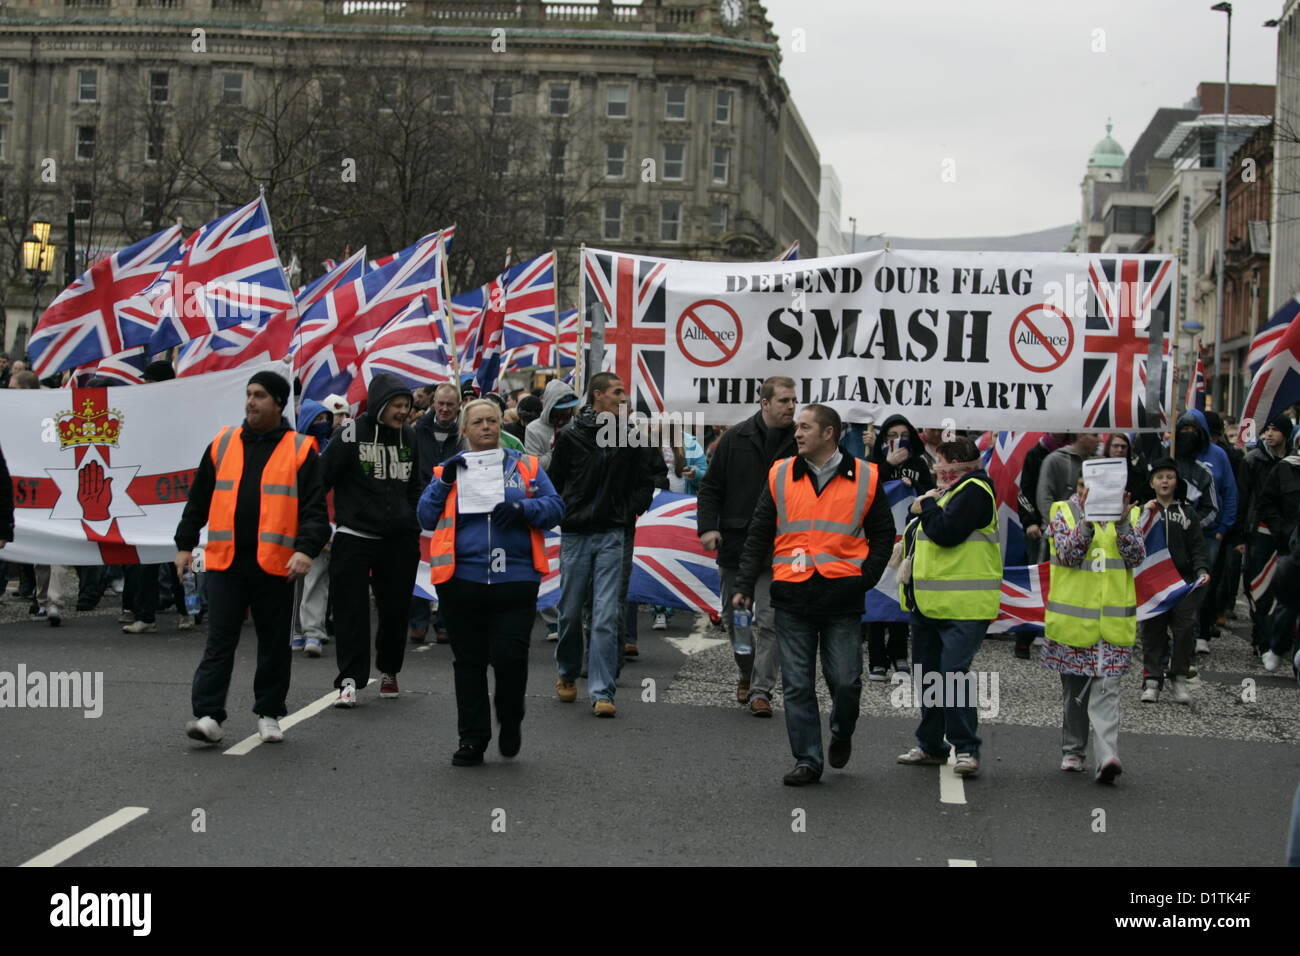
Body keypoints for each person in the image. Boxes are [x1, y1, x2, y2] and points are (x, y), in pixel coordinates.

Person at [733, 405, 895, 786]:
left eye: (805, 427)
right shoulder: (781, 473)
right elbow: (759, 531)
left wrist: (865, 578)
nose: (797, 433)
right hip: (792, 594)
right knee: (798, 684)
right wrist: (743, 585)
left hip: (842, 595)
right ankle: (807, 760)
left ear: (829, 433)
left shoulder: (866, 476)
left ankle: (841, 730)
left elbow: (884, 534)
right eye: (797, 427)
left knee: (845, 681)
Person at [175, 371, 329, 745]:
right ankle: (209, 715)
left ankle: (269, 713)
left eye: (259, 395)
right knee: (219, 641)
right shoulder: (222, 443)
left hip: (276, 565)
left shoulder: (301, 448)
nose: (251, 401)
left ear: (278, 403)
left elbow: (314, 511)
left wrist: (305, 550)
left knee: (274, 643)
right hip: (226, 561)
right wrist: (184, 544)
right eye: (248, 394)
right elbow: (198, 500)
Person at [418, 399, 565, 765]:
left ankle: (510, 716)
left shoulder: (525, 466)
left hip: (515, 579)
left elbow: (557, 508)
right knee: (468, 662)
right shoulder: (447, 470)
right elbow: (424, 515)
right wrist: (446, 481)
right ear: (464, 431)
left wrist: (523, 509)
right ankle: (472, 739)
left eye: (493, 421)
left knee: (510, 657)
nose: (486, 427)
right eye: (478, 422)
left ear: (501, 426)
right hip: (461, 578)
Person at [547, 372, 656, 717]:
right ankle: (566, 671)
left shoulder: (631, 437)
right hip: (576, 535)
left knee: (607, 615)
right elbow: (555, 483)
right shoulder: (570, 437)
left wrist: (629, 510)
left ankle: (602, 691)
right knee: (569, 612)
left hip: (612, 533)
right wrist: (566, 511)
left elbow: (648, 479)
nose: (624, 398)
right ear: (597, 396)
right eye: (618, 391)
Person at [896, 437, 1002, 777]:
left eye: (939, 463)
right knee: (928, 677)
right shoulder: (949, 494)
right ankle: (931, 746)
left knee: (952, 675)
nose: (934, 469)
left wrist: (924, 507)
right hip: (930, 604)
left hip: (964, 605)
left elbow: (945, 532)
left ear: (956, 465)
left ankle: (966, 748)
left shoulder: (975, 491)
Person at [695, 376, 797, 714]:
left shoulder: (801, 441)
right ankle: (746, 671)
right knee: (736, 618)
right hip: (736, 544)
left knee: (769, 621)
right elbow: (710, 489)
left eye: (794, 400)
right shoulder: (734, 439)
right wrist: (708, 528)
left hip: (780, 547)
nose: (791, 406)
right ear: (765, 403)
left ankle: (761, 690)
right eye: (784, 400)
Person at [321, 374, 422, 706]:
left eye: (406, 406)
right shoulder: (350, 434)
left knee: (395, 611)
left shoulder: (410, 436)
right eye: (396, 405)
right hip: (354, 536)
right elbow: (321, 479)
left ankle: (389, 669)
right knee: (350, 614)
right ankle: (349, 681)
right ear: (380, 404)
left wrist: (413, 518)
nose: (403, 412)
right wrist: (317, 527)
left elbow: (417, 485)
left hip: (399, 540)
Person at [1040, 474, 1144, 783]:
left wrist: (1123, 522)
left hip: (1113, 622)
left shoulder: (1130, 514)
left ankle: (1107, 756)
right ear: (1079, 487)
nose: (1092, 493)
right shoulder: (1063, 511)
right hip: (1074, 621)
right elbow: (1068, 555)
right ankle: (1073, 750)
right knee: (1076, 692)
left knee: (1107, 688)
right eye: (1087, 486)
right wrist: (1086, 520)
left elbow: (1136, 556)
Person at [865, 414, 933, 680]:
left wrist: (914, 485)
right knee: (876, 597)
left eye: (903, 435)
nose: (898, 440)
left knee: (901, 594)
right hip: (876, 540)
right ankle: (876, 659)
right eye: (892, 435)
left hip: (906, 539)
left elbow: (930, 493)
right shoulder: (872, 462)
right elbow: (862, 491)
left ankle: (899, 654)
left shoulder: (918, 463)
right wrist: (886, 466)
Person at [1139, 459, 1210, 704]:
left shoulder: (1187, 513)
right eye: (1160, 477)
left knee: (1185, 630)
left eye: (1170, 476)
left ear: (1176, 481)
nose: (1165, 481)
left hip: (1182, 582)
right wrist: (1143, 516)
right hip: (1154, 584)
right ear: (1152, 483)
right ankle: (1151, 679)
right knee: (1152, 632)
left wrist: (1201, 569)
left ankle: (1179, 677)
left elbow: (1198, 547)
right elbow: (1132, 543)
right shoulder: (1144, 512)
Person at [1174, 409, 1237, 655]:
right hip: (1176, 533)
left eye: (1193, 430)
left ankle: (1199, 630)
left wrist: (1223, 529)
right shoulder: (1174, 453)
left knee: (1203, 584)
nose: (1188, 434)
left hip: (1209, 533)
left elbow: (1229, 493)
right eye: (1184, 429)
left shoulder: (1218, 456)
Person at [411, 382, 463, 644]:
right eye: (440, 403)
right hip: (421, 506)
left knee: (448, 566)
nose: (444, 409)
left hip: (453, 508)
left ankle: (445, 623)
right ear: (433, 404)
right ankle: (418, 622)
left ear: (458, 406)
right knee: (421, 566)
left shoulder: (464, 434)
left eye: (449, 405)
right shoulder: (416, 430)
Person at [1238, 414, 1291, 658]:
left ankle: (1277, 638)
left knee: (1282, 586)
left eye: (1274, 430)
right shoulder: (1252, 460)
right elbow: (1243, 499)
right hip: (1258, 530)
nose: (1269, 434)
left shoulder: (1293, 462)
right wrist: (1240, 536)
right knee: (1257, 585)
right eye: (1266, 429)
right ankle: (1261, 638)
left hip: (1286, 533)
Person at [290, 398, 336, 657]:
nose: (323, 425)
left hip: (319, 523)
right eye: (317, 420)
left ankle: (314, 632)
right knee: (293, 582)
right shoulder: (292, 450)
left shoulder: (331, 451)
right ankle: (295, 629)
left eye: (326, 420)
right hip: (289, 524)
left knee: (317, 578)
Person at [1258, 425, 1300, 672]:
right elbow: (1266, 502)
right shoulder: (1285, 468)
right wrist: (1282, 530)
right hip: (1292, 547)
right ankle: (1276, 645)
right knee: (1290, 602)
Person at [1035, 433, 1099, 532]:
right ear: (1080, 435)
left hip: (1091, 532)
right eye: (1094, 435)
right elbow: (1044, 499)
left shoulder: (1097, 462)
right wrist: (1059, 527)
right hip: (1061, 533)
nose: (1099, 440)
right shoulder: (1055, 460)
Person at [525, 379, 579, 472]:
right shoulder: (533, 429)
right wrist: (556, 449)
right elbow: (535, 466)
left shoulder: (574, 424)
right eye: (561, 409)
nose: (566, 412)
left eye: (568, 409)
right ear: (550, 406)